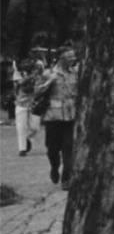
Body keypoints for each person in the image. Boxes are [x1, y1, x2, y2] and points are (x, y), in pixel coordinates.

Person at [35, 48, 78, 188]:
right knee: (52, 149)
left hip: (70, 117)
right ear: (61, 58)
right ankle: (54, 167)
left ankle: (66, 178)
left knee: (68, 148)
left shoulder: (75, 73)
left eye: (74, 56)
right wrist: (49, 83)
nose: (73, 59)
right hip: (53, 117)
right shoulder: (49, 73)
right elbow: (36, 92)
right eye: (70, 56)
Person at [14, 59, 44, 156]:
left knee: (35, 127)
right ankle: (22, 149)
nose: (38, 69)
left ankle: (27, 138)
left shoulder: (40, 77)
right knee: (21, 127)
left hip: (33, 105)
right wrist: (31, 77)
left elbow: (39, 89)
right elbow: (20, 84)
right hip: (21, 104)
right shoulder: (19, 74)